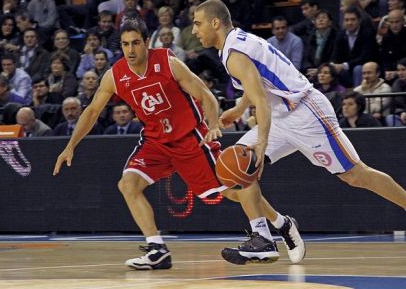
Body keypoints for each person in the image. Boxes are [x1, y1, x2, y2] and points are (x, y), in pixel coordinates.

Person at [192, 0, 406, 263]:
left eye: (197, 23)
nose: (193, 30)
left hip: (306, 114)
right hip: (282, 115)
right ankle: (266, 237)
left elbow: (261, 103)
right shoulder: (236, 44)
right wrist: (238, 109)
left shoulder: (234, 54)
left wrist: (260, 144)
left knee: (355, 175)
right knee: (239, 170)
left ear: (215, 23)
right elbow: (257, 85)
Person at [53, 18, 304, 269]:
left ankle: (281, 223)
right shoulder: (114, 75)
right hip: (156, 142)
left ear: (147, 42)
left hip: (190, 139)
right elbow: (93, 110)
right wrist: (71, 145)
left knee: (234, 187)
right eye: (125, 44)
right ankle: (157, 249)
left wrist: (214, 124)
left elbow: (206, 96)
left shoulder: (169, 64)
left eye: (136, 43)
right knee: (128, 184)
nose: (131, 50)